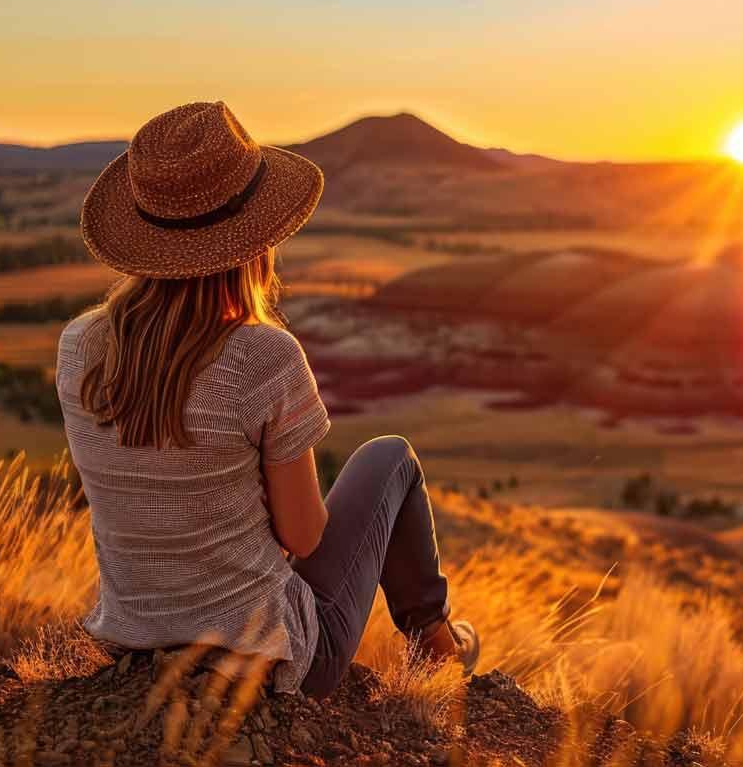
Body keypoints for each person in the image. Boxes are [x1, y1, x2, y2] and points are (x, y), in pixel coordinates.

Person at [55, 101, 478, 698]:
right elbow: (303, 538)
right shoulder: (263, 357)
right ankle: (438, 646)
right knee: (392, 458)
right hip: (279, 661)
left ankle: (438, 647)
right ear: (254, 239)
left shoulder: (78, 348)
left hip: (135, 642)